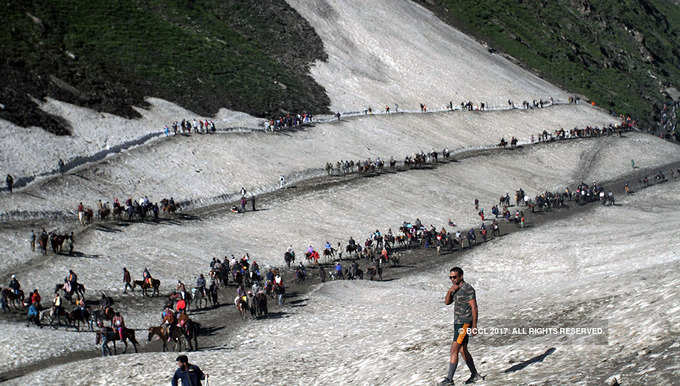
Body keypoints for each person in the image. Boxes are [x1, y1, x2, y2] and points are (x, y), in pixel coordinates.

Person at [441, 267, 481, 385]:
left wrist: (474, 326)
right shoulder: (455, 288)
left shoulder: (468, 289)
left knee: (454, 350)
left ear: (461, 276)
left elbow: (474, 307)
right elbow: (447, 302)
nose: (452, 279)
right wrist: (450, 291)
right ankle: (474, 374)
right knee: (463, 350)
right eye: (451, 277)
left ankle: (449, 380)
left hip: (464, 323)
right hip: (457, 323)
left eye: (454, 277)